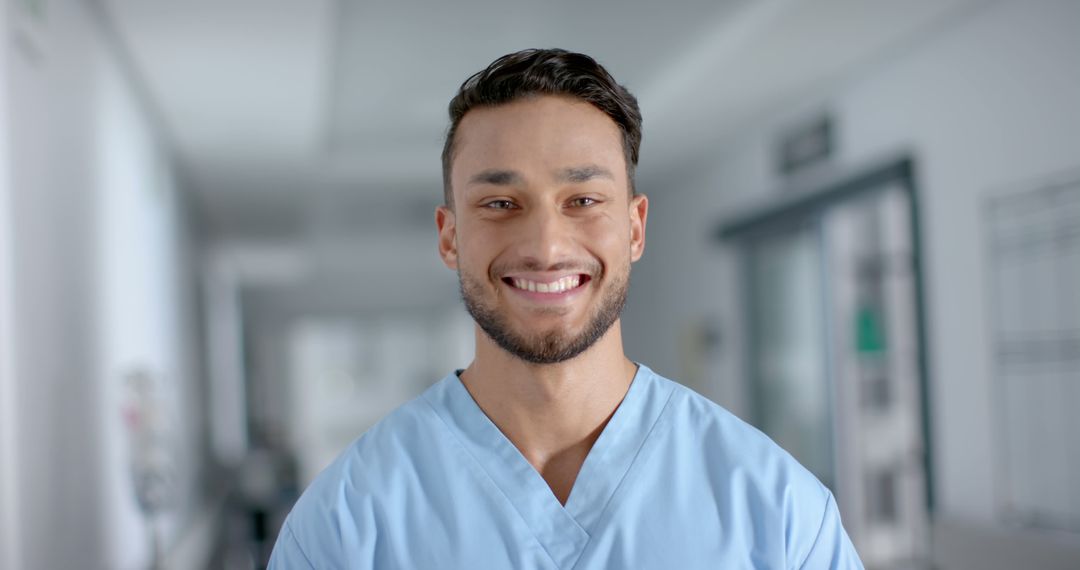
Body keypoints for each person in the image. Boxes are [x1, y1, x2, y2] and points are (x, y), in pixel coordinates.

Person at [269, 48, 863, 569]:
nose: (546, 248)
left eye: (582, 199)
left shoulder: (777, 510)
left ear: (635, 227)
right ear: (450, 237)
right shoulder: (345, 526)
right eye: (500, 202)